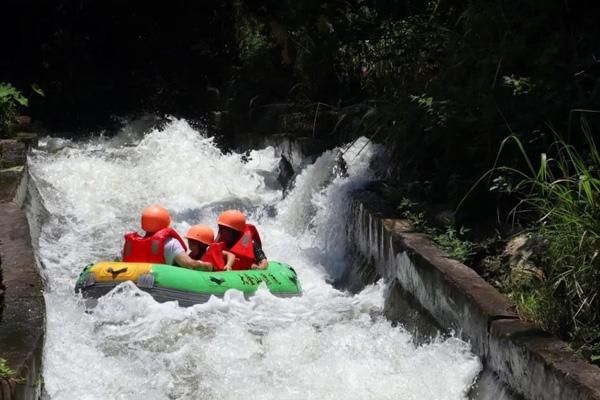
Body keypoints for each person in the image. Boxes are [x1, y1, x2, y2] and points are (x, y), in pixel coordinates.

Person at [121, 204, 212, 270]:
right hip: (159, 284)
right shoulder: (170, 243)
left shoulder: (129, 245)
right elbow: (189, 264)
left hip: (131, 280)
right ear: (165, 222)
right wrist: (208, 266)